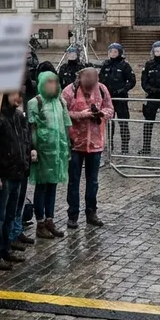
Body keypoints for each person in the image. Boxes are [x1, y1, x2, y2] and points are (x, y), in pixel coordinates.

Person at [0, 91, 33, 270]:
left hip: (16, 173)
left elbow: (24, 141)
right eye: (14, 94)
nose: (19, 98)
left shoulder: (17, 116)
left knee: (10, 214)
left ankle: (5, 247)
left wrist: (25, 162)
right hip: (2, 175)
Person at [63, 68, 113, 229]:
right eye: (88, 78)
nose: (92, 81)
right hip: (75, 143)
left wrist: (101, 113)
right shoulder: (69, 91)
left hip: (95, 143)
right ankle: (73, 215)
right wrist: (81, 115)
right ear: (81, 77)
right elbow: (63, 112)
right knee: (74, 181)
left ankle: (91, 213)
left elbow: (110, 109)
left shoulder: (102, 89)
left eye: (94, 78)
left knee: (93, 181)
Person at [28, 70, 71, 239]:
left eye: (55, 82)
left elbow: (66, 124)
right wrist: (33, 148)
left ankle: (49, 219)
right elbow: (32, 128)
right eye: (49, 83)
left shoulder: (61, 101)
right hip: (42, 151)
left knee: (53, 186)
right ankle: (40, 222)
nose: (53, 86)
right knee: (42, 186)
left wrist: (68, 146)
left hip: (58, 151)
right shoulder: (35, 102)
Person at [99, 43, 136, 154]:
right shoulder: (106, 65)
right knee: (109, 123)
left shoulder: (124, 65)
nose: (113, 53)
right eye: (111, 51)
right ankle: (110, 145)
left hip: (121, 98)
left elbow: (132, 81)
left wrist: (123, 90)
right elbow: (100, 80)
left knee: (123, 122)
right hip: (108, 99)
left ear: (119, 53)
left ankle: (125, 146)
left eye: (115, 51)